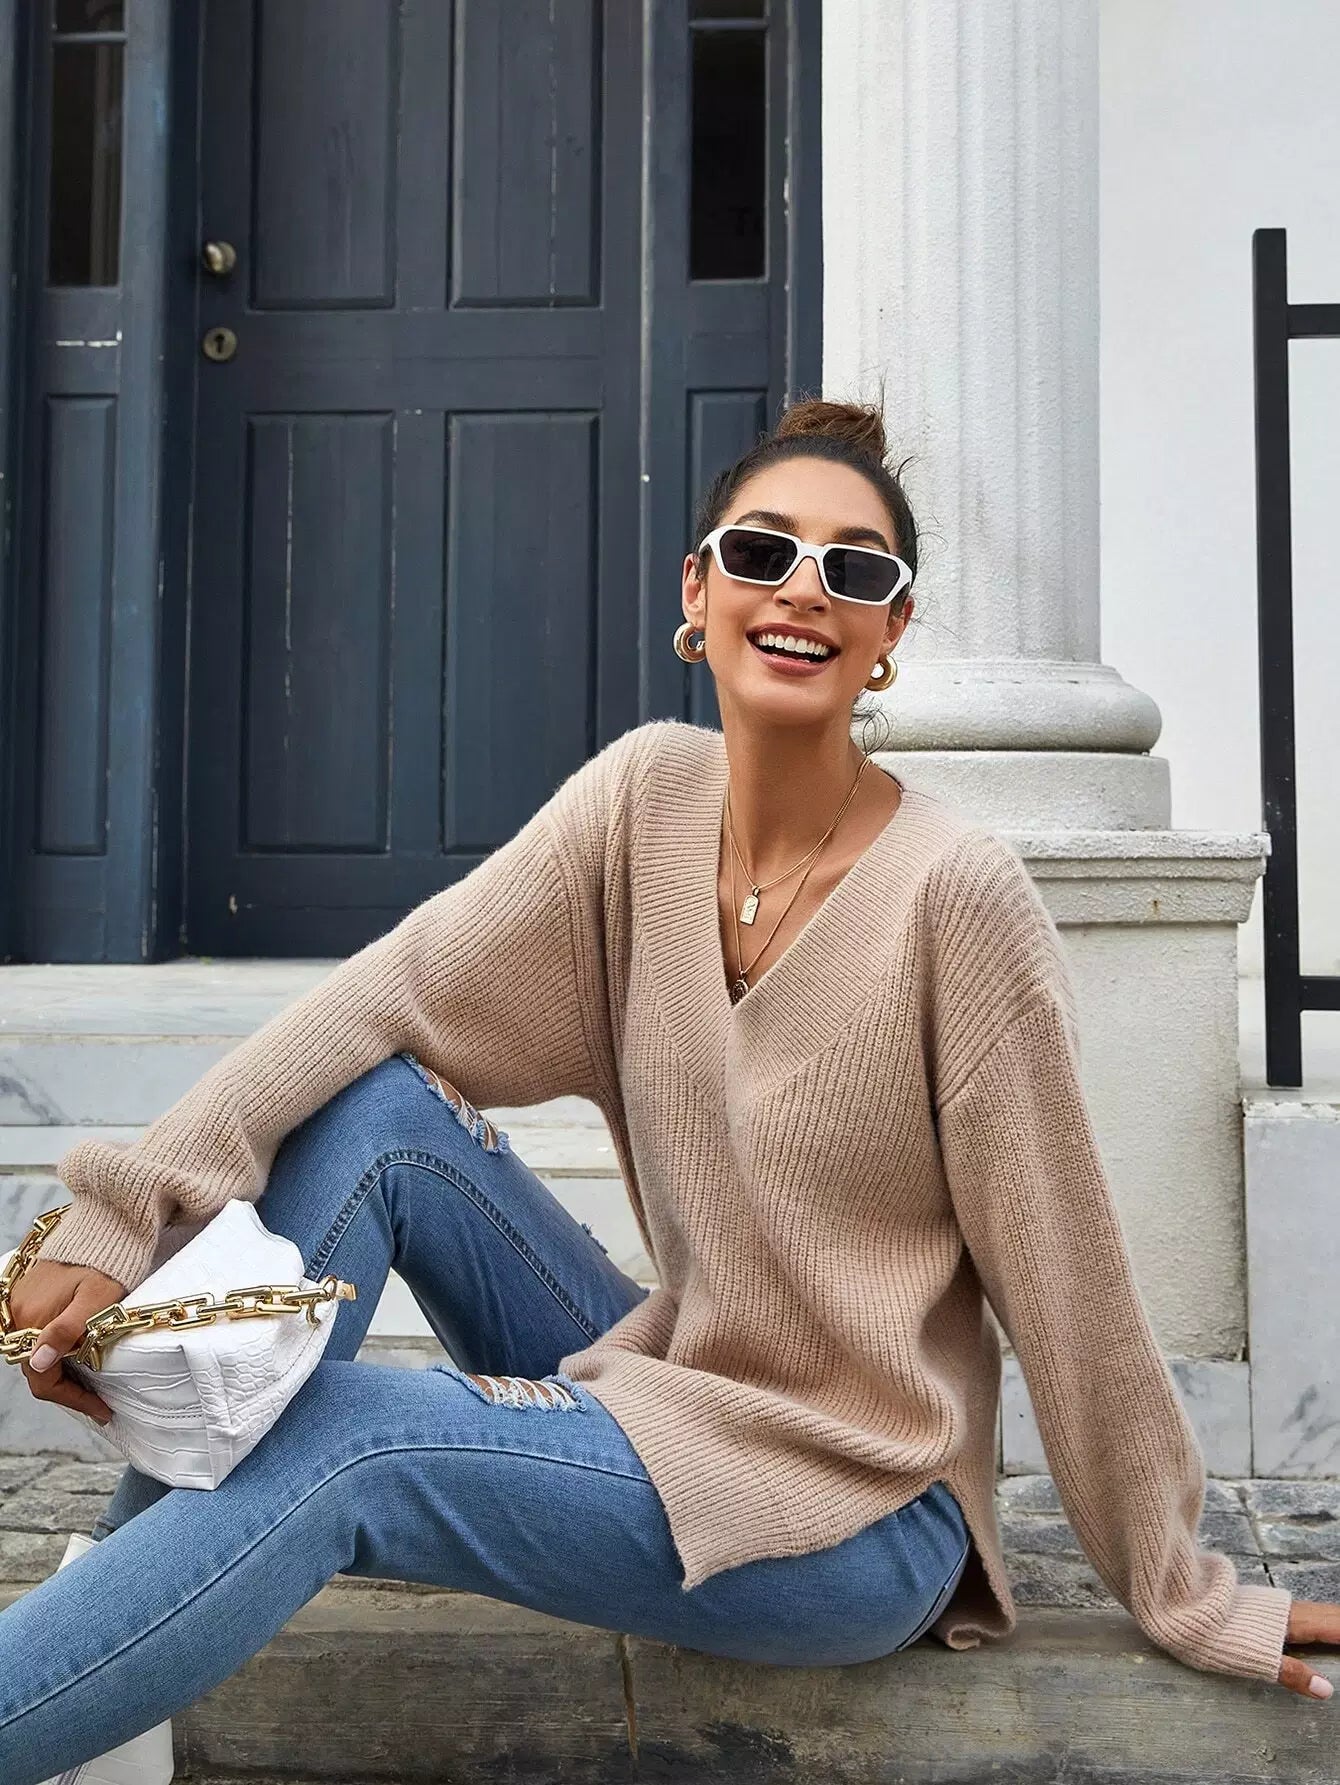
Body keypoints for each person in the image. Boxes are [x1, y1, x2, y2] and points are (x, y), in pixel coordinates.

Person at [1, 398, 1333, 1782]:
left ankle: (98, 1655)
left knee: (345, 1439)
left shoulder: (958, 898)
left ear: (891, 633)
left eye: (854, 569)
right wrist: (122, 1213)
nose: (804, 589)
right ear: (699, 591)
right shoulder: (643, 803)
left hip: (858, 1505)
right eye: (764, 551)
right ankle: (129, 1625)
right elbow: (384, 996)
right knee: (379, 1115)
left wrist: (1180, 1585)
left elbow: (1069, 1275)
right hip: (681, 1380)